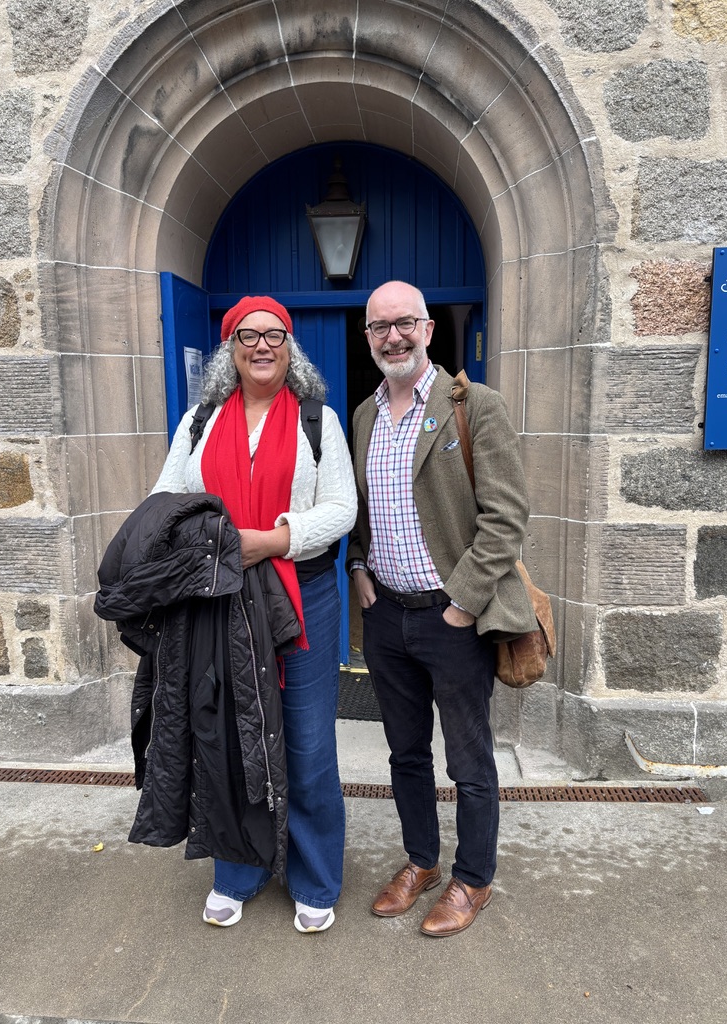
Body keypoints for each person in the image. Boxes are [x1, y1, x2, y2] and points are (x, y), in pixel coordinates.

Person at [151, 295, 357, 934]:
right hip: (221, 599)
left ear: (289, 347)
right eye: (247, 335)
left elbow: (342, 508)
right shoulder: (199, 422)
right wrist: (203, 545)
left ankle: (314, 876)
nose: (261, 345)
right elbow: (166, 499)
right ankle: (237, 870)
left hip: (304, 596)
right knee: (230, 734)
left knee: (309, 741)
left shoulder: (318, 421)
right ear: (229, 348)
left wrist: (267, 540)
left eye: (274, 334)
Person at [347, 280, 536, 937]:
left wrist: (460, 604)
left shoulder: (474, 406)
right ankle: (422, 862)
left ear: (428, 329)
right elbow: (363, 516)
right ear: (367, 337)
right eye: (379, 327)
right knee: (405, 755)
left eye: (405, 323)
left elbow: (507, 519)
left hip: (452, 619)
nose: (392, 336)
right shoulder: (364, 416)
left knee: (469, 761)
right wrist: (358, 568)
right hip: (388, 618)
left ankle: (474, 878)